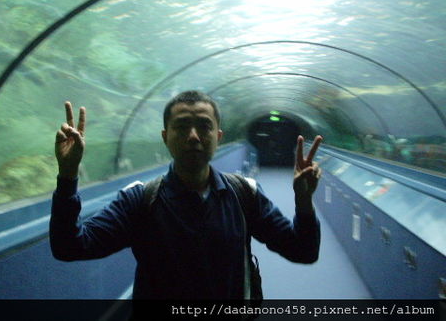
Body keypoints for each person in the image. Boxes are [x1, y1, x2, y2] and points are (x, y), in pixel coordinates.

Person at [50, 90, 322, 302]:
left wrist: (304, 202)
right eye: (182, 126)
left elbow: (303, 250)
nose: (193, 136)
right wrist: (68, 176)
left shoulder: (244, 195)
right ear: (166, 136)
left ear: (218, 136)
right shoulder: (140, 200)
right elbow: (69, 247)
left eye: (204, 126)